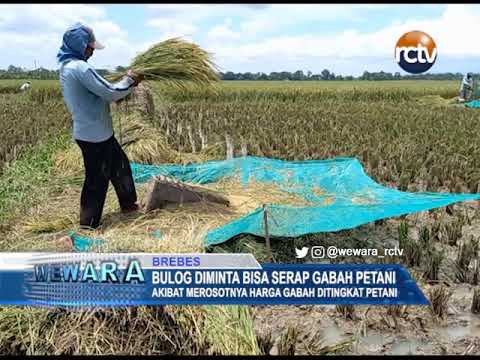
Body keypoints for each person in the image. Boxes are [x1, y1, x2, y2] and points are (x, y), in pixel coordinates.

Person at [57, 22, 144, 229]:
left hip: (97, 132)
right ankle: (89, 224)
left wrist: (125, 86)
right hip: (94, 136)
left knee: (120, 167)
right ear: (80, 45)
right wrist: (129, 80)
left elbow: (99, 92)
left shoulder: (68, 66)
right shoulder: (80, 68)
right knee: (97, 179)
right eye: (89, 47)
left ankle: (129, 205)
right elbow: (110, 92)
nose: (91, 52)